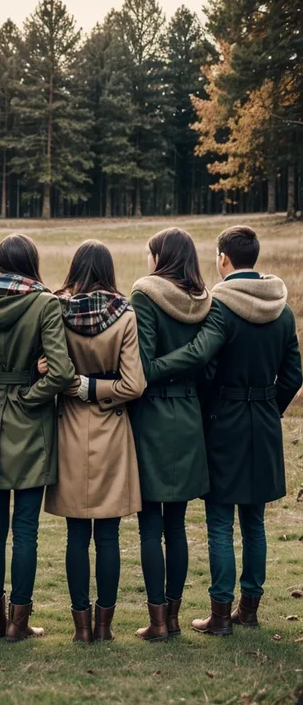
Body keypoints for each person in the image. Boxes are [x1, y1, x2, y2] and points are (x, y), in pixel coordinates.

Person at [147, 226, 303, 635]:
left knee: (219, 522)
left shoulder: (221, 306)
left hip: (224, 422)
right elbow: (293, 374)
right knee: (255, 522)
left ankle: (219, 616)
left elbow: (203, 362)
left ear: (223, 259)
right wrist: (269, 407)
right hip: (264, 423)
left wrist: (162, 376)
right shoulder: (282, 310)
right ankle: (249, 610)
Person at [0, 234, 75, 643]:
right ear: (32, 263)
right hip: (29, 421)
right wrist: (31, 390)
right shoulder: (44, 303)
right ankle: (17, 623)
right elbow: (62, 373)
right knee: (25, 528)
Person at [42, 240, 145, 643]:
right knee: (107, 535)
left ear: (74, 268)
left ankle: (80, 628)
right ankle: (104, 627)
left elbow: (47, 368)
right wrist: (97, 387)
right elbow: (134, 384)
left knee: (75, 535)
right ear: (108, 270)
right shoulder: (125, 315)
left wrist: (75, 385)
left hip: (68, 427)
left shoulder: (55, 309)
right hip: (111, 428)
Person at [129, 227, 212, 641]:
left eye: (150, 253)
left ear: (161, 256)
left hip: (153, 415)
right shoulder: (204, 300)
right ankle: (175, 619)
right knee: (176, 525)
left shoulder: (145, 295)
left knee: (149, 526)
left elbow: (140, 364)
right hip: (189, 415)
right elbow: (208, 366)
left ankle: (158, 622)